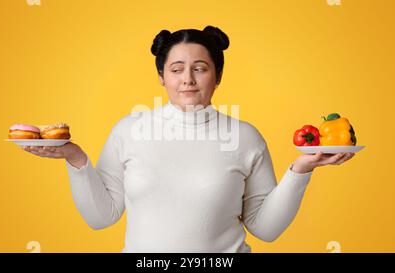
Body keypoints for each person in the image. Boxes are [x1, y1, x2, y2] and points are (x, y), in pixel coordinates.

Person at [22, 26, 355, 253]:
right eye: (177, 68)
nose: (188, 80)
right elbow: (102, 217)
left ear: (218, 75)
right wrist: (76, 159)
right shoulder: (129, 130)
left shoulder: (244, 136)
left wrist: (301, 170)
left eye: (200, 68)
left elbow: (265, 229)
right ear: (161, 76)